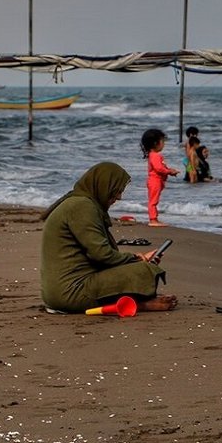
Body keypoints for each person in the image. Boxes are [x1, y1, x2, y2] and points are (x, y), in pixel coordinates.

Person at [40, 162, 177, 313]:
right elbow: (102, 255)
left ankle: (134, 301)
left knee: (140, 266)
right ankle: (139, 304)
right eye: (116, 191)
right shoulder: (82, 207)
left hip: (59, 292)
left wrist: (137, 259)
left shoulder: (79, 203)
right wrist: (138, 260)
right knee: (144, 270)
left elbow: (101, 256)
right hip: (69, 293)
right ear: (103, 186)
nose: (119, 197)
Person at [141, 129, 180, 227]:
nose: (164, 144)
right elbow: (159, 168)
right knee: (153, 201)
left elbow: (161, 168)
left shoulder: (154, 155)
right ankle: (153, 219)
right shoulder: (155, 155)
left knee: (154, 200)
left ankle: (154, 218)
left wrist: (170, 171)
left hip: (157, 181)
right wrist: (169, 171)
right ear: (155, 143)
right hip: (155, 181)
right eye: (162, 141)